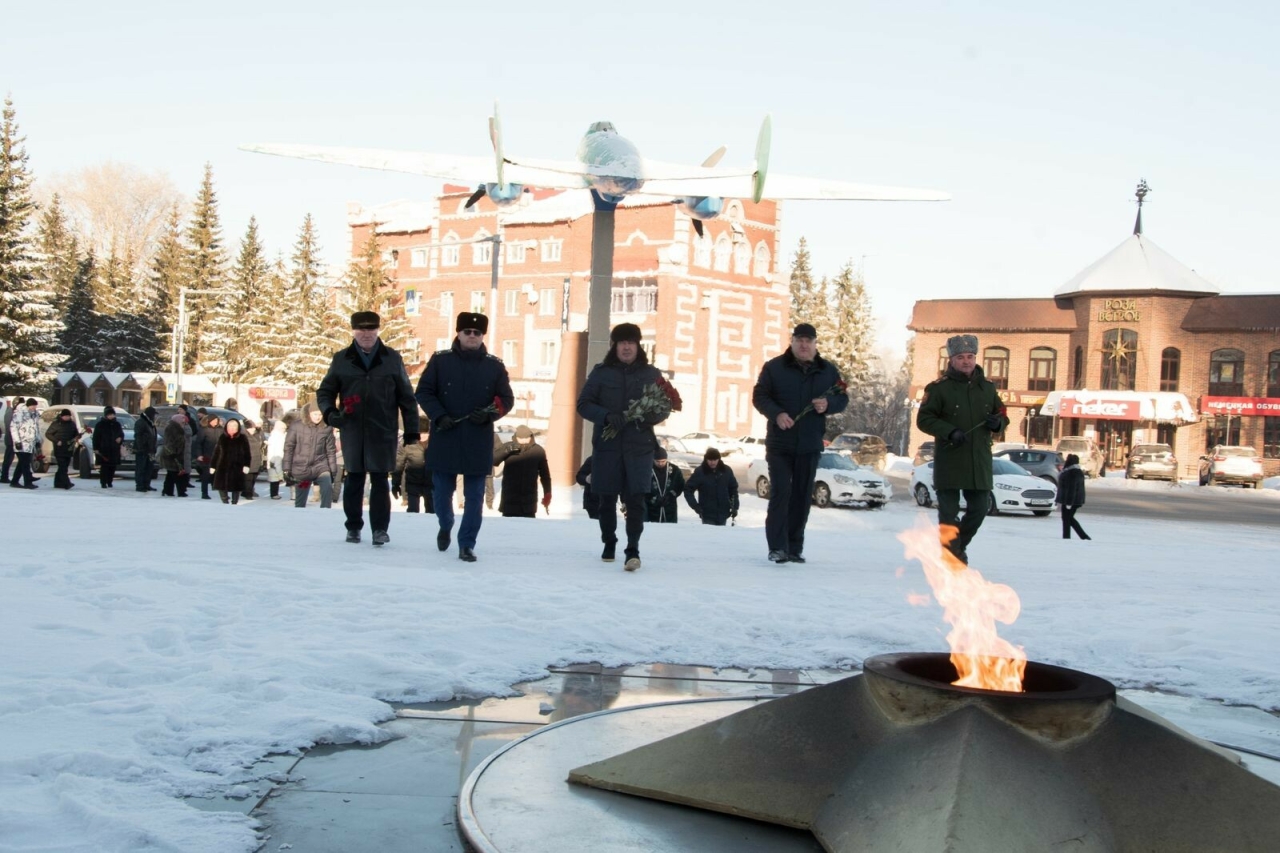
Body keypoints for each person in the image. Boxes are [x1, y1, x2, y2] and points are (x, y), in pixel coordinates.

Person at [415, 311, 513, 561]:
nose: (472, 336)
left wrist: (490, 415)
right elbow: (424, 392)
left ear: (482, 336)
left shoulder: (494, 366)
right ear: (458, 333)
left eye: (477, 333)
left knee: (474, 497)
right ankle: (446, 524)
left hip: (477, 440)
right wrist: (438, 415)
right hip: (446, 436)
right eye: (467, 332)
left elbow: (506, 399)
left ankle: (466, 544)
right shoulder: (440, 361)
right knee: (441, 493)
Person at [316, 310, 420, 547]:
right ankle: (353, 526)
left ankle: (380, 529)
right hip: (352, 429)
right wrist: (331, 413)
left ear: (377, 330)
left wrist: (412, 430)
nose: (366, 334)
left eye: (371, 329)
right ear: (353, 331)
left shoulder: (391, 358)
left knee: (380, 480)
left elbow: (406, 396)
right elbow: (325, 392)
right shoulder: (342, 359)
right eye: (361, 329)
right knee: (354, 478)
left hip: (382, 430)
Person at [751, 323, 848, 564]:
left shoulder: (827, 371)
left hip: (810, 445)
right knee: (781, 493)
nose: (804, 345)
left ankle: (794, 547)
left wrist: (828, 405)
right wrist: (777, 414)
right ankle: (777, 547)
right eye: (799, 340)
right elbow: (759, 395)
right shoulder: (774, 368)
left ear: (815, 345)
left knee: (802, 497)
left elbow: (842, 398)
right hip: (780, 444)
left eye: (808, 341)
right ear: (792, 342)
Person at [576, 322, 670, 571]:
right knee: (606, 498)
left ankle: (633, 550)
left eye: (631, 342)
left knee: (636, 500)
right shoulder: (601, 373)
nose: (627, 347)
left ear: (638, 346)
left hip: (639, 447)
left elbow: (663, 407)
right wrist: (606, 416)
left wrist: (646, 417)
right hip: (608, 447)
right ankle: (609, 542)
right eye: (622, 342)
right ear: (614, 346)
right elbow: (583, 404)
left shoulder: (651, 374)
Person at [916, 333, 1008, 565]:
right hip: (951, 459)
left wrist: (998, 423)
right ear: (951, 360)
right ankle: (951, 554)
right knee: (948, 514)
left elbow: (1001, 414)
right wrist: (949, 431)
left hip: (979, 461)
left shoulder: (987, 388)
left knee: (978, 510)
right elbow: (924, 419)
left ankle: (956, 548)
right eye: (961, 357)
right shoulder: (939, 389)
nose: (966, 361)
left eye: (970, 356)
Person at [283, 403, 338, 509]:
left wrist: (333, 471)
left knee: (327, 489)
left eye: (320, 415)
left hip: (320, 466)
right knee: (300, 502)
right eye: (315, 414)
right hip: (302, 468)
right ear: (309, 414)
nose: (318, 417)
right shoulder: (296, 426)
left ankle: (325, 514)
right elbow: (288, 448)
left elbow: (330, 450)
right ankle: (300, 519)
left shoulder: (327, 427)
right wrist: (286, 469)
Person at [493, 425, 552, 518]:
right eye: (520, 438)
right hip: (509, 499)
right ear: (516, 437)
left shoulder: (538, 451)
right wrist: (506, 451)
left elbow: (545, 475)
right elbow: (493, 461)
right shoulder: (508, 447)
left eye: (526, 438)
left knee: (527, 529)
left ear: (531, 437)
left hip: (529, 501)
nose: (524, 441)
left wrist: (547, 492)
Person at [684, 447, 740, 526]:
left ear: (719, 459)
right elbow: (688, 489)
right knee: (709, 536)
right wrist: (695, 506)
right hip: (707, 513)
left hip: (723, 512)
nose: (712, 462)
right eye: (710, 460)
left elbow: (733, 490)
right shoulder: (700, 472)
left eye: (715, 460)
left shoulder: (726, 471)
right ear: (706, 460)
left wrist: (735, 507)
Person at [212, 418, 253, 504]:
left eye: (234, 426)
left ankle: (234, 502)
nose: (232, 428)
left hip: (237, 466)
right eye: (230, 426)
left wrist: (246, 465)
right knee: (221, 485)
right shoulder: (222, 437)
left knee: (236, 486)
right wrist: (213, 465)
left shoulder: (242, 438)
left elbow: (247, 453)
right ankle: (224, 500)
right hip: (223, 466)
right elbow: (216, 452)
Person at [392, 426, 432, 513]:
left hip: (431, 483)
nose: (423, 436)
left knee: (432, 511)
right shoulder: (408, 444)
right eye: (421, 433)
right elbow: (399, 464)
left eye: (426, 433)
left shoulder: (435, 443)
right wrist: (395, 484)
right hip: (413, 483)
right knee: (413, 511)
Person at [8, 398, 41, 489]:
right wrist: (17, 441)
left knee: (22, 463)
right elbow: (13, 428)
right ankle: (28, 482)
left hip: (30, 443)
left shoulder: (35, 415)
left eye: (35, 406)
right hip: (21, 443)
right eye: (33, 405)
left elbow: (36, 428)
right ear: (28, 405)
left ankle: (14, 481)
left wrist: (38, 440)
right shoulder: (19, 414)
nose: (34, 407)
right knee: (25, 463)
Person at [1057, 453, 1091, 540]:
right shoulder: (1072, 471)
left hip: (1071, 501)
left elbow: (1072, 488)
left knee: (1067, 518)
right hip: (1072, 500)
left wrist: (1069, 503)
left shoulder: (1072, 472)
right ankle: (1070, 537)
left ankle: (1081, 537)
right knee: (1067, 519)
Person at [646, 446, 684, 523]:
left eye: (663, 461)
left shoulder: (675, 470)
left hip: (669, 507)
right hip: (652, 508)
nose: (660, 464)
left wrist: (671, 495)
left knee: (670, 531)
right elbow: (642, 487)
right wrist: (653, 497)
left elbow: (680, 485)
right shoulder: (647, 469)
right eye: (658, 461)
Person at [45, 408, 80, 490]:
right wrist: (56, 441)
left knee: (63, 467)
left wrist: (77, 437)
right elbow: (48, 434)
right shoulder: (56, 424)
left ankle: (57, 483)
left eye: (68, 416)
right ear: (62, 416)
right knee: (63, 466)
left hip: (68, 449)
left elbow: (75, 433)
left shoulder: (72, 424)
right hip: (59, 448)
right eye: (65, 416)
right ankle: (67, 483)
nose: (67, 417)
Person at [92, 405, 125, 488]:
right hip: (104, 449)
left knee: (112, 467)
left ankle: (110, 481)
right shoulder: (100, 425)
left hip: (114, 449)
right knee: (104, 467)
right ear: (106, 415)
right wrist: (96, 448)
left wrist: (120, 438)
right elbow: (96, 437)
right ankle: (103, 482)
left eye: (113, 414)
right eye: (110, 415)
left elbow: (121, 434)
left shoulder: (117, 424)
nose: (111, 416)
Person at [159, 411, 191, 497]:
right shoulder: (171, 428)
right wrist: (173, 454)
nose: (183, 424)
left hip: (176, 454)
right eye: (182, 422)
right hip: (172, 455)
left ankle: (167, 490)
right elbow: (169, 442)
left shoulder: (178, 428)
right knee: (177, 474)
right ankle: (180, 492)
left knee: (171, 474)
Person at [133, 406, 158, 492]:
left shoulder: (150, 423)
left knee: (149, 468)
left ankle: (146, 484)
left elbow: (153, 436)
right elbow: (138, 436)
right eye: (154, 414)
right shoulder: (141, 422)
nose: (154, 416)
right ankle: (140, 485)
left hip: (150, 450)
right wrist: (141, 447)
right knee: (141, 468)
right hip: (143, 450)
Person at [265, 416, 288, 500]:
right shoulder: (276, 437)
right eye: (283, 428)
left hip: (277, 458)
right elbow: (274, 450)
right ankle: (274, 494)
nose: (284, 430)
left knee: (276, 479)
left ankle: (275, 493)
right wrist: (272, 461)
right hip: (274, 459)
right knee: (274, 479)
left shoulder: (279, 436)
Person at [241, 419, 264, 500]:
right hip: (247, 459)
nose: (253, 430)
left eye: (254, 428)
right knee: (248, 478)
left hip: (257, 458)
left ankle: (246, 491)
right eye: (252, 428)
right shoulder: (243, 435)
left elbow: (262, 440)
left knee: (253, 478)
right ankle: (248, 493)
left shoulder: (257, 434)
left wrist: (259, 430)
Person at [1, 395, 20, 482]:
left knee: (22, 459)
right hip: (11, 439)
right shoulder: (10, 412)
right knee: (8, 459)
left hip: (17, 439)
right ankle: (4, 476)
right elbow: (10, 427)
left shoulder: (15, 412)